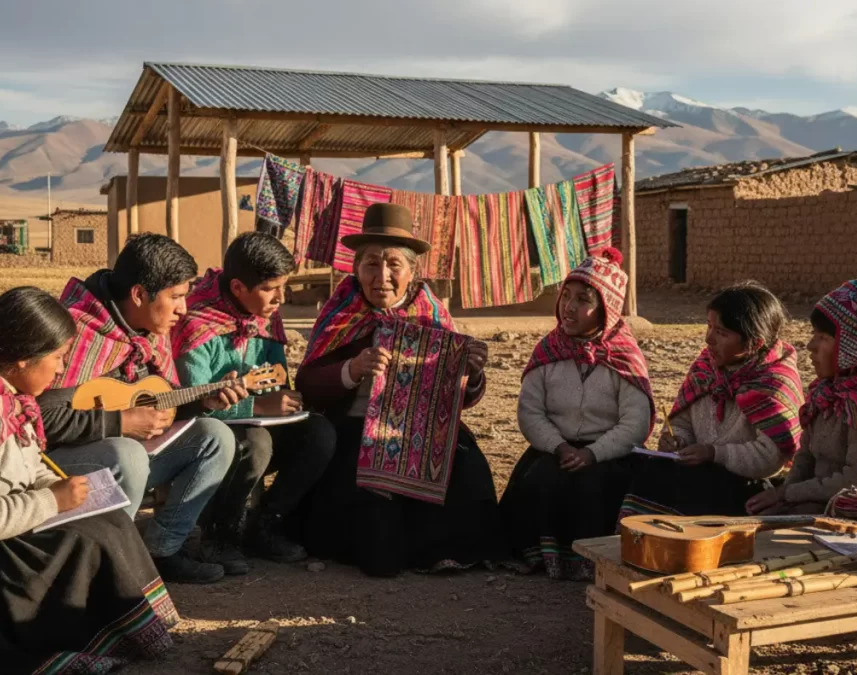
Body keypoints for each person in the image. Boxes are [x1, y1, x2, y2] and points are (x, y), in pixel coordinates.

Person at [0, 287, 177, 675]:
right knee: (82, 543)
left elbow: (28, 465)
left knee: (106, 520)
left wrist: (67, 489)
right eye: (58, 357)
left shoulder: (3, 393)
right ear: (22, 359)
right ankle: (70, 640)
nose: (62, 370)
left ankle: (125, 633)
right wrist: (53, 501)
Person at [293, 203, 506, 577]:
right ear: (356, 269)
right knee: (374, 523)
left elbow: (462, 400)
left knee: (466, 468)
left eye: (394, 264)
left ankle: (443, 553)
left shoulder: (432, 317)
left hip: (425, 432)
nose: (382, 276)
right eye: (371, 264)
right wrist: (351, 369)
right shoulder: (340, 314)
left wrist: (471, 374)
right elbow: (308, 384)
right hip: (356, 431)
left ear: (412, 271)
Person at [37, 233, 246, 584]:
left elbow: (155, 400)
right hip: (60, 471)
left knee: (215, 437)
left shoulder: (149, 328)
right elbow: (43, 420)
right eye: (175, 297)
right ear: (138, 294)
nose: (183, 309)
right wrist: (121, 423)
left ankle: (162, 551)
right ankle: (115, 570)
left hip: (125, 461)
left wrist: (202, 402)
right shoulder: (76, 331)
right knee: (128, 453)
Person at [172, 232, 336, 565]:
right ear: (238, 288)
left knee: (320, 434)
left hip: (259, 425)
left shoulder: (267, 315)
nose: (281, 298)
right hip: (208, 438)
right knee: (255, 443)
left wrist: (283, 400)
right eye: (270, 288)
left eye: (283, 286)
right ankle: (219, 535)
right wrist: (257, 406)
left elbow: (276, 379)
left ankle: (265, 523)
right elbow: (192, 405)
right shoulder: (196, 323)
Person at [499, 249, 654, 580]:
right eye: (566, 296)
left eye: (583, 300)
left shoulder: (625, 357)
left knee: (593, 486)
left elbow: (635, 423)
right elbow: (530, 411)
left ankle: (592, 561)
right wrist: (559, 447)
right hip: (554, 448)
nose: (568, 307)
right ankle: (544, 559)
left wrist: (592, 453)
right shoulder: (548, 351)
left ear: (607, 309)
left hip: (610, 455)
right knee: (542, 480)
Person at [747, 268, 857, 515]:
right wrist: (785, 493)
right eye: (814, 334)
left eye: (823, 337)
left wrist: (787, 494)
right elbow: (806, 456)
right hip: (821, 503)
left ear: (854, 346)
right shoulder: (828, 391)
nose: (810, 346)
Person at [620, 282, 804, 520]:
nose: (709, 339)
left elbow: (770, 457)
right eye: (709, 326)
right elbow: (682, 421)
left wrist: (715, 453)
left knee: (700, 490)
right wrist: (677, 439)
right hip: (698, 473)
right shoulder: (705, 370)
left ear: (755, 343)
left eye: (722, 333)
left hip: (744, 485)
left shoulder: (773, 384)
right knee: (647, 470)